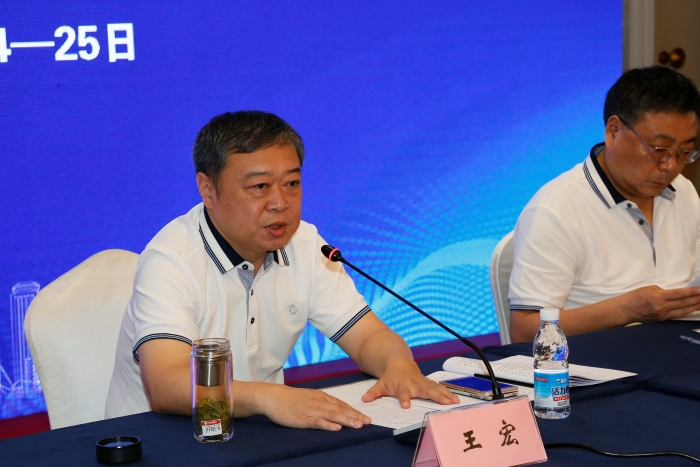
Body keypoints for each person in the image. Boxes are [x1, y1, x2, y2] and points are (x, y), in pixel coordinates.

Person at [105, 110, 458, 430]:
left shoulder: (305, 244)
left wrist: (398, 366)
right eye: (259, 187)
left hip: (260, 429)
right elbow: (167, 384)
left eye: (291, 184)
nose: (280, 203)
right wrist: (269, 397)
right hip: (163, 438)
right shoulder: (172, 259)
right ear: (207, 189)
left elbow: (367, 337)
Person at [509, 66, 700, 343]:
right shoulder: (555, 209)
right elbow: (524, 331)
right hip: (596, 359)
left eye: (683, 152)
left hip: (678, 351)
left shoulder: (683, 191)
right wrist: (628, 310)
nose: (671, 166)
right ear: (613, 130)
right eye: (659, 149)